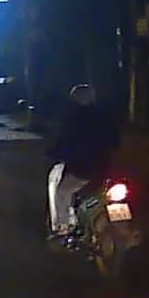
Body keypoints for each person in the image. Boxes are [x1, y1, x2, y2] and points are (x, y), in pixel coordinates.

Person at [47, 83, 121, 238]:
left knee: (62, 192)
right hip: (104, 168)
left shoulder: (74, 118)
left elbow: (65, 142)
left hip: (83, 169)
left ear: (75, 99)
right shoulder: (104, 116)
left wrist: (55, 152)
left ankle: (63, 228)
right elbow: (115, 141)